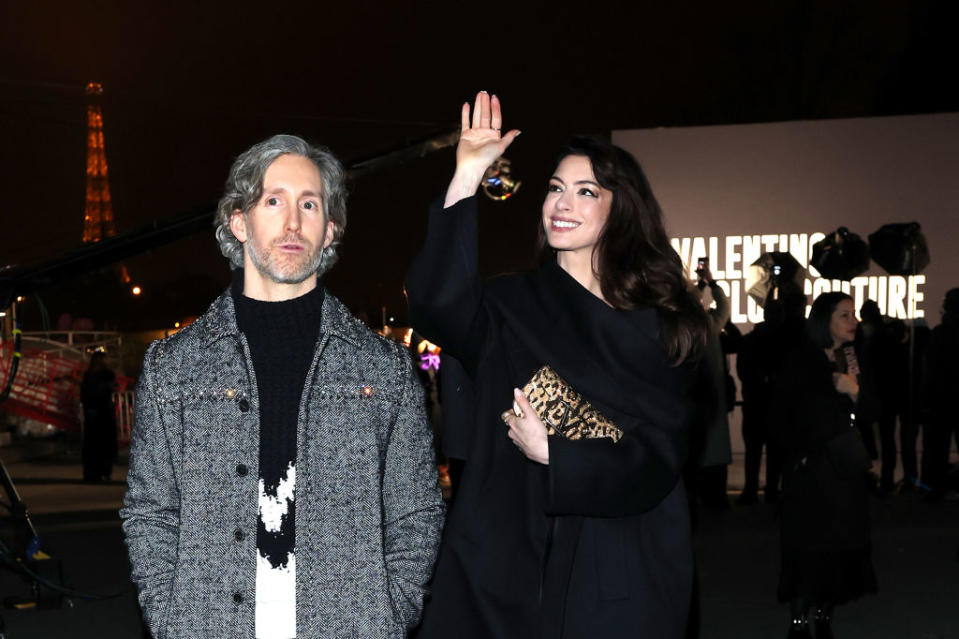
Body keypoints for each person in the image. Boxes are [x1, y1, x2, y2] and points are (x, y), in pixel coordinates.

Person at [406, 92, 709, 638]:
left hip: (620, 554)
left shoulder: (661, 323)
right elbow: (436, 302)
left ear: (621, 209)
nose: (561, 204)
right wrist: (467, 176)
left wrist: (560, 453)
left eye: (585, 191)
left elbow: (661, 455)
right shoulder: (509, 306)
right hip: (513, 553)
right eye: (554, 189)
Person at [120, 135, 444, 639]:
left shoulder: (384, 370)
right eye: (274, 201)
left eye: (309, 204)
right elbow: (151, 513)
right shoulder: (174, 367)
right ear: (238, 221)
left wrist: (387, 614)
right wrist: (170, 619)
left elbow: (416, 513)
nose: (293, 222)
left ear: (330, 229)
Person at [777, 292, 877, 639]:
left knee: (839, 543)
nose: (853, 322)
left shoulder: (850, 357)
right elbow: (787, 414)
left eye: (854, 315)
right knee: (808, 544)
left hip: (843, 470)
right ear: (825, 320)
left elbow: (871, 412)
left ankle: (824, 611)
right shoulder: (801, 359)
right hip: (810, 471)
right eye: (844, 315)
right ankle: (799, 618)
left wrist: (854, 392)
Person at [923, 288, 959, 499]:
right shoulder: (940, 335)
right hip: (948, 399)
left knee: (938, 448)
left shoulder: (938, 334)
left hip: (941, 400)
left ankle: (936, 489)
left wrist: (926, 400)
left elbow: (930, 371)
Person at [80, 350, 117, 482]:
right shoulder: (92, 375)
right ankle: (95, 472)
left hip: (101, 411)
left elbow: (86, 393)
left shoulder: (103, 375)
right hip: (98, 411)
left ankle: (100, 472)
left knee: (100, 443)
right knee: (97, 444)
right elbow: (85, 393)